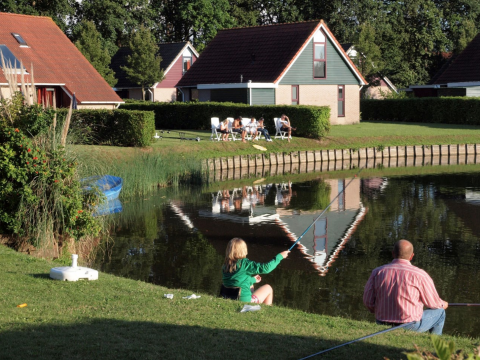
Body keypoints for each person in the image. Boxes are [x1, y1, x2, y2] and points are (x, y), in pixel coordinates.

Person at [363, 239, 448, 335]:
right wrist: (443, 304)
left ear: (393, 253)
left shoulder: (377, 272)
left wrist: (379, 311)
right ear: (412, 256)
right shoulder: (420, 275)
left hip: (381, 322)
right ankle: (434, 344)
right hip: (409, 326)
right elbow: (433, 303)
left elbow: (368, 301)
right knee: (440, 313)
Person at [222, 237, 289, 304]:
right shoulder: (245, 263)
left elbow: (237, 280)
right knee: (268, 288)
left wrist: (253, 280)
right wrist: (280, 256)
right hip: (243, 300)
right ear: (244, 250)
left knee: (251, 285)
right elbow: (266, 268)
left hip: (228, 297)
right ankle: (267, 312)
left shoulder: (226, 264)